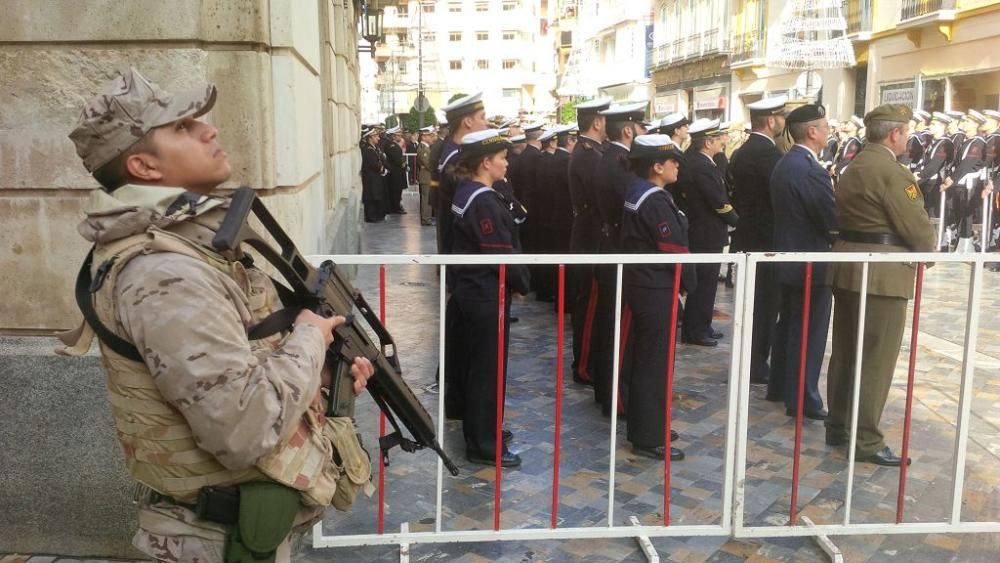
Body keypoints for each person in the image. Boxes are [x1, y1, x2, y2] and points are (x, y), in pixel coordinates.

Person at [63, 68, 376, 562]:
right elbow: (244, 428)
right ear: (144, 167)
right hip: (212, 541)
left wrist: (317, 377)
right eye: (183, 128)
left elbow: (241, 364)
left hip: (235, 528)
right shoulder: (164, 272)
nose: (209, 130)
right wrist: (310, 338)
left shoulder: (184, 244)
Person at [826, 104, 936, 466]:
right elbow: (917, 227)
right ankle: (867, 440)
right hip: (884, 274)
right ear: (895, 133)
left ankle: (839, 426)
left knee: (846, 352)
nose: (906, 137)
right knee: (875, 358)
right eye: (905, 131)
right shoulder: (893, 173)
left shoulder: (853, 165)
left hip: (848, 267)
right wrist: (927, 253)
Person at [447, 129, 530, 468]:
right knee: (487, 370)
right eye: (502, 158)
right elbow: (501, 252)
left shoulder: (471, 191)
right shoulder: (481, 199)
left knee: (477, 366)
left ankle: (484, 428)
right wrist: (522, 283)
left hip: (473, 291)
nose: (507, 163)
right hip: (485, 293)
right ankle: (484, 443)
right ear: (486, 162)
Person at [619, 135, 692, 462]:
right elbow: (673, 246)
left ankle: (649, 425)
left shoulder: (643, 191)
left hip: (646, 283)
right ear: (656, 166)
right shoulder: (654, 199)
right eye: (672, 160)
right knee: (653, 361)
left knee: (646, 358)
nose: (678, 164)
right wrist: (689, 281)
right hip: (654, 285)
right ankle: (648, 436)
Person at [769, 103, 838, 420]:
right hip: (810, 263)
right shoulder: (810, 169)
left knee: (790, 327)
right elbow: (830, 221)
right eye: (825, 127)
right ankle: (803, 398)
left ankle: (781, 387)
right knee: (808, 333)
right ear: (812, 131)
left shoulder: (786, 163)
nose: (828, 132)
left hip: (788, 258)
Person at [590, 101, 646, 416]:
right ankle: (617, 399)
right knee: (618, 333)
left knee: (608, 327)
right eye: (641, 128)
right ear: (628, 130)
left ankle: (605, 391)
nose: (643, 133)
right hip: (618, 254)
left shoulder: (608, 157)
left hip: (607, 248)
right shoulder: (619, 162)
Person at [729, 95, 787, 385]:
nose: (784, 122)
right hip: (766, 240)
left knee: (749, 304)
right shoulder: (769, 156)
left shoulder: (741, 152)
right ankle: (756, 364)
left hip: (746, 235)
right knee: (764, 305)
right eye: (781, 116)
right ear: (771, 120)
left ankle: (747, 359)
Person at [676, 118, 739, 346]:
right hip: (705, 231)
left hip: (706, 230)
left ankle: (703, 324)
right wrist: (735, 220)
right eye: (718, 139)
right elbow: (717, 200)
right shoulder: (700, 165)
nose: (723, 142)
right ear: (708, 142)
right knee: (703, 282)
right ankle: (695, 330)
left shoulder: (699, 161)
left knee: (708, 282)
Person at [568, 97, 612, 386]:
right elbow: (600, 199)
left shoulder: (592, 152)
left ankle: (590, 360)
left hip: (590, 235)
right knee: (589, 305)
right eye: (605, 120)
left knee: (592, 304)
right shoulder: (589, 155)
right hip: (591, 237)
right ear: (597, 122)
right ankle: (584, 365)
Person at [361, 127, 388, 222]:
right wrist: (383, 170)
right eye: (376, 136)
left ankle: (376, 215)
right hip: (371, 178)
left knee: (376, 195)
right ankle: (371, 217)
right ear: (370, 137)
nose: (378, 138)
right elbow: (375, 164)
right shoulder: (368, 149)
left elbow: (381, 159)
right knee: (371, 197)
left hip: (375, 177)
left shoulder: (375, 148)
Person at [384, 126, 409, 214]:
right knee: (395, 192)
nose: (400, 137)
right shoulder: (391, 145)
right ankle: (396, 207)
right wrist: (404, 164)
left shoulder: (393, 144)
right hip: (396, 172)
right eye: (397, 135)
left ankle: (396, 206)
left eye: (400, 135)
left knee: (397, 191)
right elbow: (397, 159)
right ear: (393, 136)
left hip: (397, 171)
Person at [416, 126, 436, 226]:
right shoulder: (423, 149)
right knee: (426, 199)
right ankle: (425, 219)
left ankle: (427, 218)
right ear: (423, 137)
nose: (431, 137)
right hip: (426, 177)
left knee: (428, 198)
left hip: (427, 177)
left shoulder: (426, 148)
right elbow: (428, 164)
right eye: (429, 136)